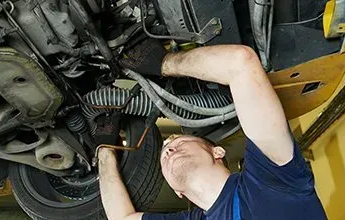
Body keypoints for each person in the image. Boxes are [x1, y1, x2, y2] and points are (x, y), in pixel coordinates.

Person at [99, 44, 327, 220]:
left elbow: (240, 63)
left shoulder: (271, 177)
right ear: (177, 191)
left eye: (177, 139)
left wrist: (163, 62)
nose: (168, 146)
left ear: (217, 152)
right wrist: (105, 149)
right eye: (168, 147)